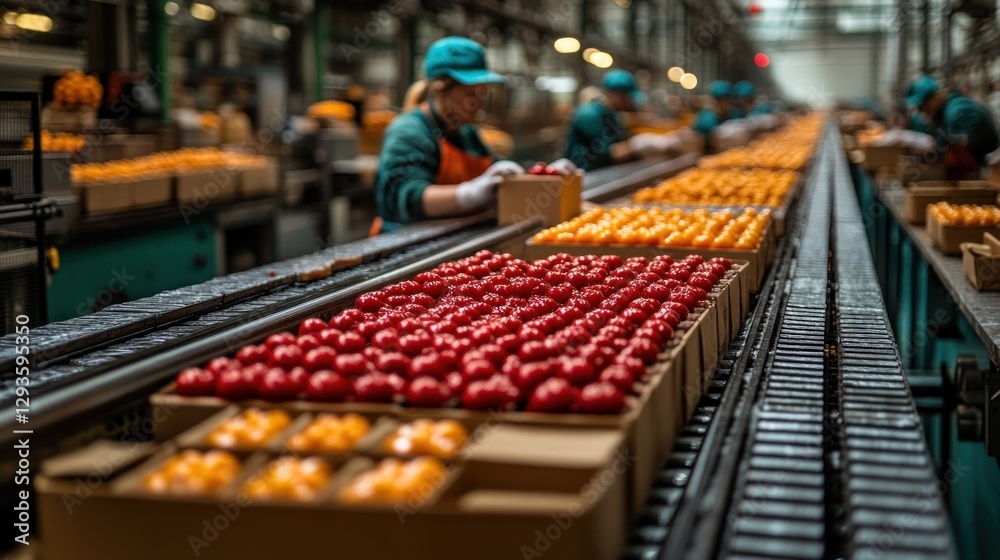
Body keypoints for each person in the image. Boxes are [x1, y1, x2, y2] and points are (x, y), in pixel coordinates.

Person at [375, 37, 576, 230]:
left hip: (450, 238)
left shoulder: (468, 133)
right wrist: (469, 194)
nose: (479, 102)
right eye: (470, 94)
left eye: (482, 93)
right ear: (439, 88)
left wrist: (543, 174)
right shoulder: (409, 131)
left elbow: (496, 172)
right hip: (402, 246)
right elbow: (407, 198)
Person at [563, 69, 684, 172]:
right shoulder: (589, 115)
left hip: (604, 174)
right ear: (615, 94)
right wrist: (640, 143)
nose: (630, 102)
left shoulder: (611, 114)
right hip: (584, 178)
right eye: (627, 97)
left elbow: (622, 139)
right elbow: (612, 154)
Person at [907, 75, 1000, 177]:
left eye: (921, 108)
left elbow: (974, 139)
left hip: (987, 171)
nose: (922, 113)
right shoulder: (945, 115)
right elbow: (942, 144)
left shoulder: (957, 111)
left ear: (932, 101)